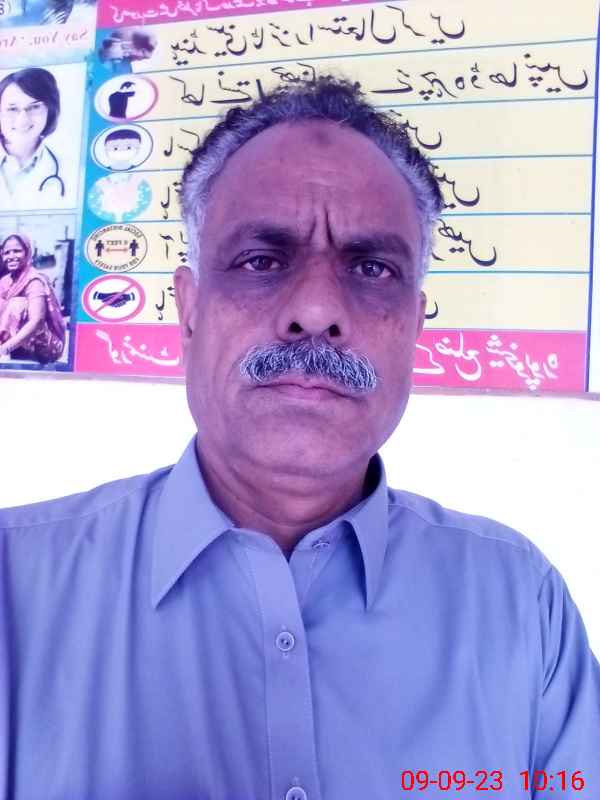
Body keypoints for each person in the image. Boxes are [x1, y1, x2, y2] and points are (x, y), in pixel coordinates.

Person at [0, 78, 599, 799]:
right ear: (189, 311)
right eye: (262, 260)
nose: (316, 309)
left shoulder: (522, 606)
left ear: (413, 326)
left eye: (372, 268)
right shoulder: (16, 590)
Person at [0, 68, 65, 209]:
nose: (23, 119)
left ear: (50, 110)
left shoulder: (71, 169)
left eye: (35, 107)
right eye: (12, 109)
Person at [0, 233, 65, 363]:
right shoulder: (5, 281)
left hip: (46, 346)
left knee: (16, 304)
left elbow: (37, 321)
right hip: (17, 345)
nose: (11, 256)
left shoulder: (34, 280)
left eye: (17, 251)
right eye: (7, 253)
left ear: (27, 253)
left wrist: (4, 349)